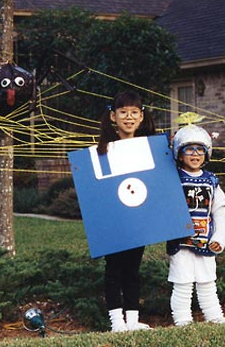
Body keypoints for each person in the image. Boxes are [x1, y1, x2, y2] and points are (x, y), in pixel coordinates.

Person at [97, 90, 155, 332]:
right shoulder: (103, 151)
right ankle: (116, 322)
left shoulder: (150, 149)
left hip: (137, 218)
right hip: (114, 220)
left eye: (134, 113)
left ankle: (132, 320)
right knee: (114, 269)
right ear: (113, 116)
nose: (128, 117)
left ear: (141, 117)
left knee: (132, 270)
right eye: (123, 112)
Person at [167, 124, 225, 326]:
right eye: (189, 149)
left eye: (200, 149)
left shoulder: (212, 181)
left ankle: (214, 315)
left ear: (207, 153)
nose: (195, 154)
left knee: (207, 281)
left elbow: (219, 211)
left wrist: (219, 239)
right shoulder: (172, 179)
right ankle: (182, 319)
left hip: (205, 240)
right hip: (181, 241)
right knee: (182, 282)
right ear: (179, 153)